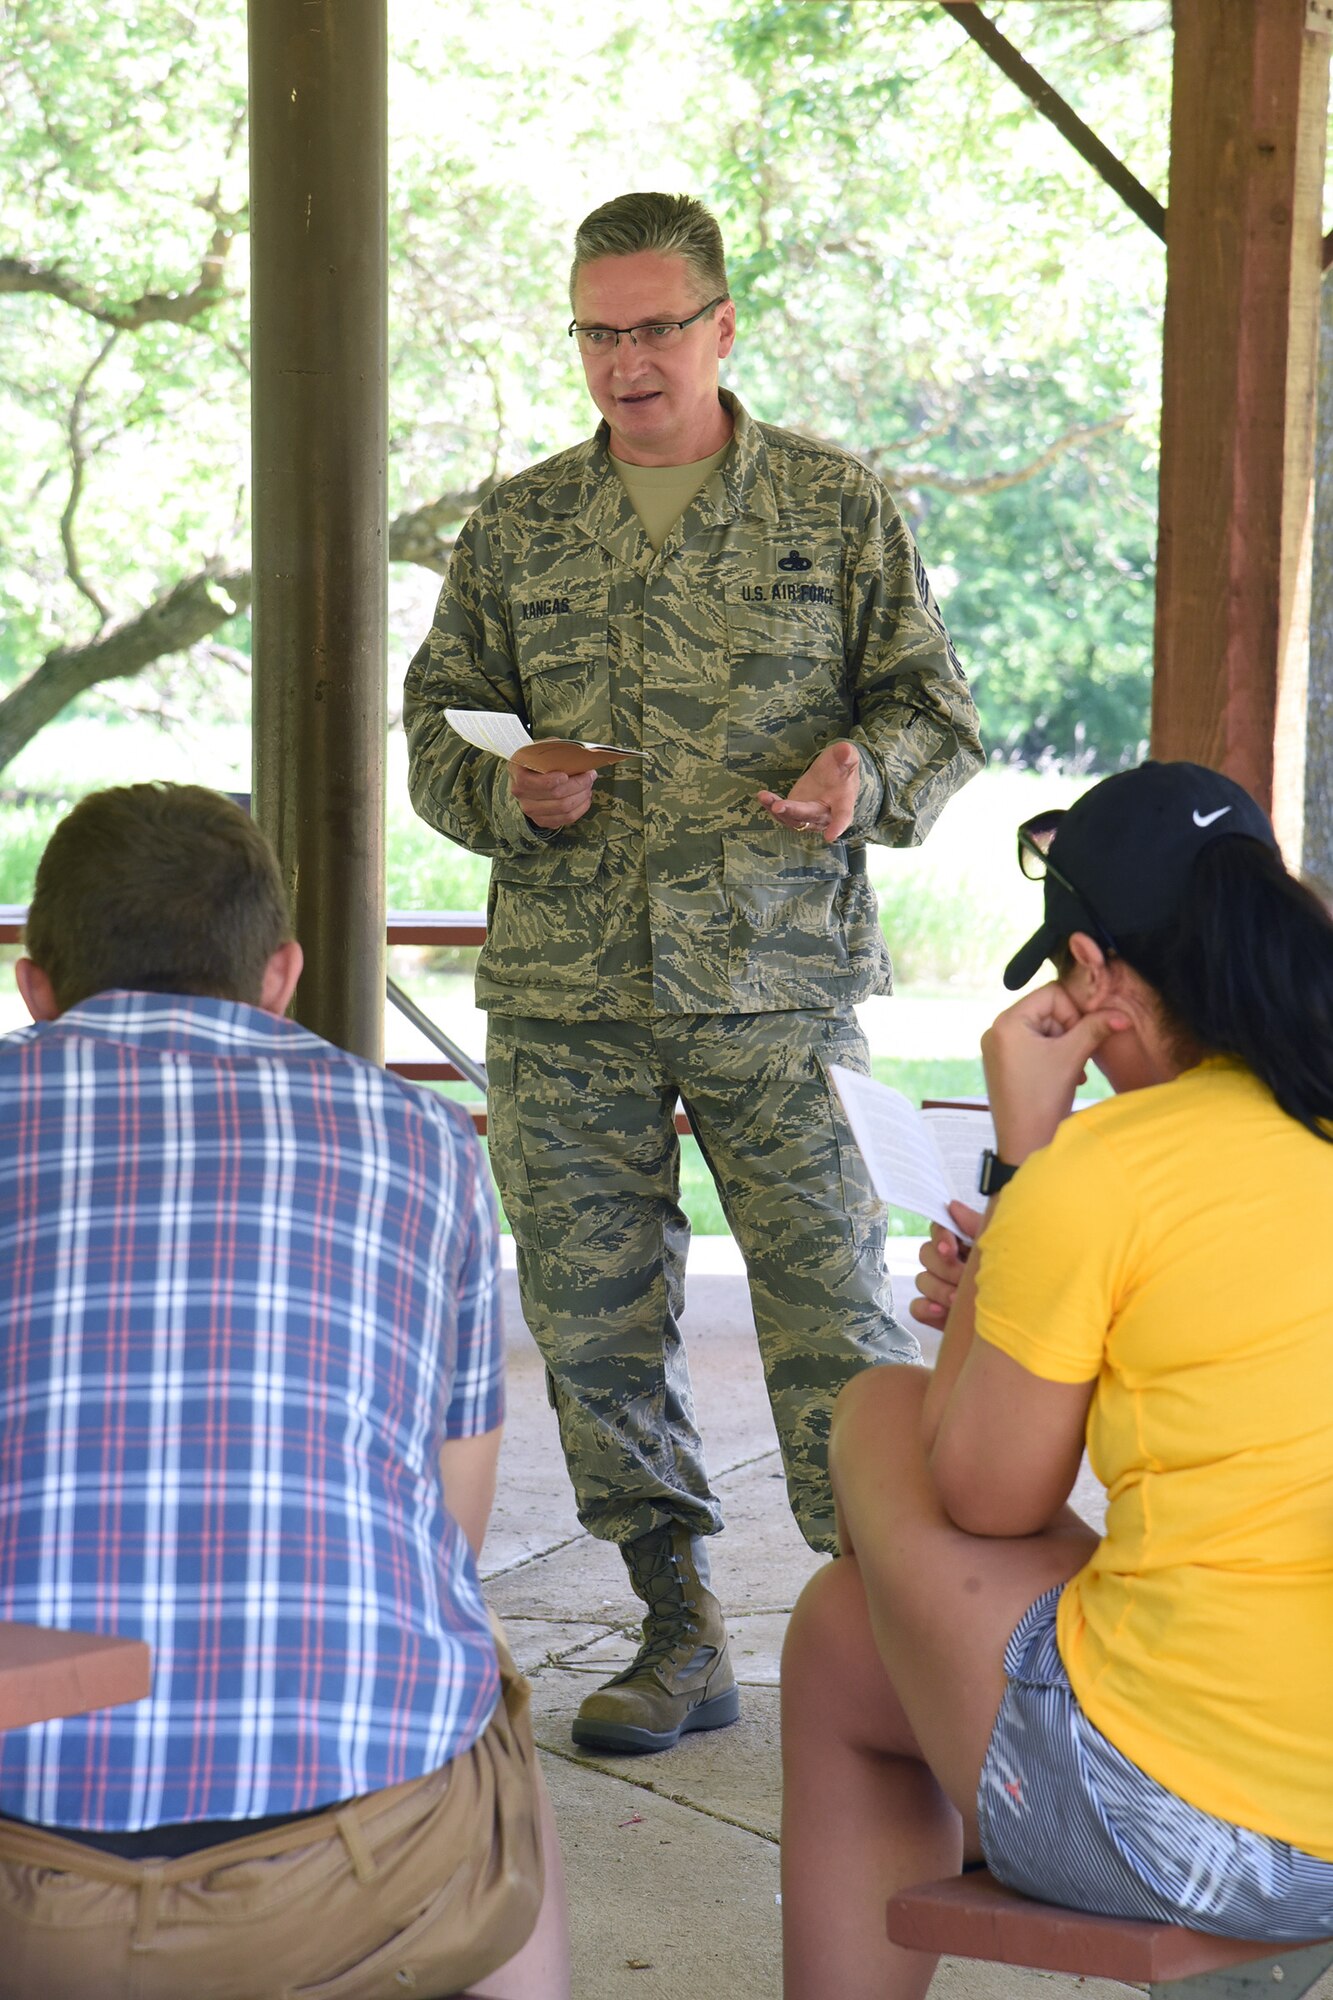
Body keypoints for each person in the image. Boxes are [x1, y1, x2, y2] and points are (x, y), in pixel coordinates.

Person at [403, 190, 982, 1755]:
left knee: (832, 1313)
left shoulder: (833, 505)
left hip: (777, 979)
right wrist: (504, 795)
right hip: (567, 991)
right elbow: (436, 731)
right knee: (595, 1324)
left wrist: (869, 771)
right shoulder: (517, 526)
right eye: (599, 330)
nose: (626, 359)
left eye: (657, 326)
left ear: (724, 325)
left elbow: (936, 710)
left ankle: (893, 1625)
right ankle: (676, 1624)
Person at [0, 784, 569, 2000]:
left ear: (32, 986)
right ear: (282, 975)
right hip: (347, 1879)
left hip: (18, 1891)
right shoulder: (425, 1143)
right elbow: (450, 1540)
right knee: (480, 1661)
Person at [780, 760, 1333, 2000]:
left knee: (878, 1405)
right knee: (840, 1635)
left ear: (1094, 976)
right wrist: (1003, 1275)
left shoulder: (1104, 1168)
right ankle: (972, 1751)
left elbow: (984, 1497)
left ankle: (1003, 1785)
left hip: (1212, 1833)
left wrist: (1021, 1170)